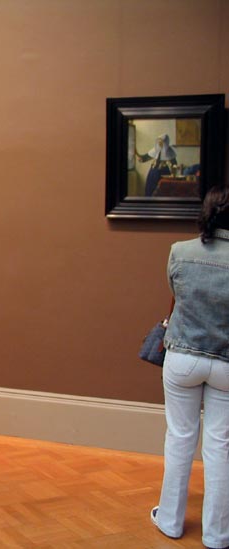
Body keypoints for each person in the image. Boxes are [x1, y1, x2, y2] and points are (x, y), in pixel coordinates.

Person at [151, 186, 229, 549]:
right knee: (220, 445)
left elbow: (177, 295)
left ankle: (169, 521)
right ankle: (217, 534)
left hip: (182, 357)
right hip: (226, 363)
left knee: (179, 438)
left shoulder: (180, 252)